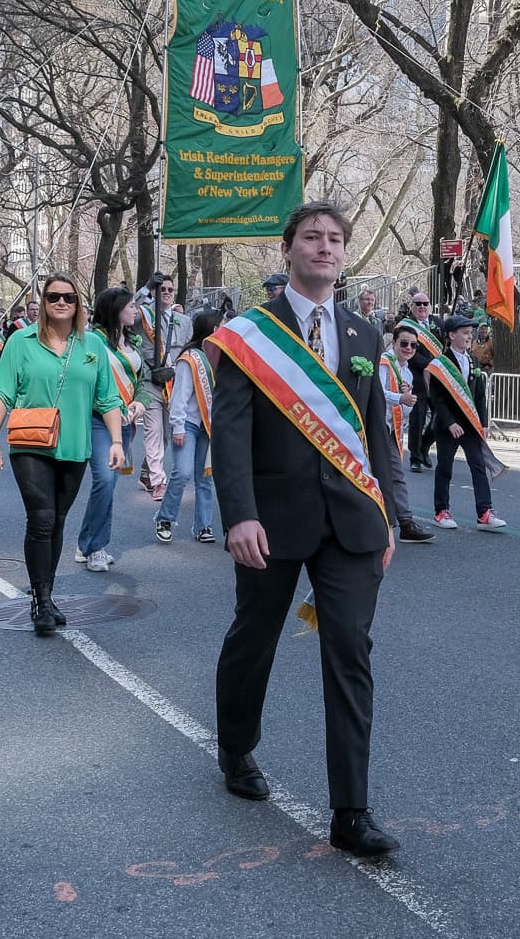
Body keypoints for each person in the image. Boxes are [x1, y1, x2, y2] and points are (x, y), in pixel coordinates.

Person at [208, 201, 403, 857]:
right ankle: (236, 746)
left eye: (335, 239)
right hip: (270, 519)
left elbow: (376, 434)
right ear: (287, 248)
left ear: (345, 254)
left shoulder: (365, 335)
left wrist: (391, 518)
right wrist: (238, 513)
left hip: (351, 521)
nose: (325, 247)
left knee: (349, 650)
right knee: (255, 637)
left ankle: (351, 811)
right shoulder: (249, 334)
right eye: (313, 237)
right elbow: (229, 431)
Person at [0, 274, 125, 637]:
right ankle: (40, 603)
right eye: (53, 297)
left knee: (59, 520)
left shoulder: (92, 345)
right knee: (42, 518)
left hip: (74, 445)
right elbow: (1, 392)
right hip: (30, 444)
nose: (61, 303)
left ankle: (47, 591)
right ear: (43, 303)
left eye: (69, 298)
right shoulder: (21, 342)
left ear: (79, 305)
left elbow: (107, 398)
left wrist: (116, 441)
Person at [75, 286, 144, 572]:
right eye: (130, 305)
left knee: (109, 484)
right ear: (115, 309)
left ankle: (86, 541)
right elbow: (85, 378)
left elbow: (142, 382)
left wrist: (140, 402)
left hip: (126, 423)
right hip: (98, 420)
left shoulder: (133, 342)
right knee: (104, 480)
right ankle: (96, 548)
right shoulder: (93, 341)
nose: (136, 310)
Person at [427, 313, 506, 531]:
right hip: (448, 425)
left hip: (470, 423)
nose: (469, 337)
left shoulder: (471, 359)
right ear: (451, 335)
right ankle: (441, 511)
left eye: (470, 333)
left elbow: (479, 393)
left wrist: (483, 421)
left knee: (478, 466)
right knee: (445, 467)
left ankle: (485, 513)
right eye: (465, 333)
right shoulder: (440, 363)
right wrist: (450, 422)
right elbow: (437, 398)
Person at [156, 309, 224, 545]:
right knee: (182, 472)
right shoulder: (190, 359)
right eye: (221, 326)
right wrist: (177, 427)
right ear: (212, 330)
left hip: (210, 426)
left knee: (205, 478)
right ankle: (165, 518)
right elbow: (180, 396)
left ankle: (203, 526)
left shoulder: (220, 357)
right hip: (189, 423)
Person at [375, 323, 436, 545]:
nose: (409, 348)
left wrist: (406, 400)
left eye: (413, 345)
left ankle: (403, 522)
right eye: (404, 344)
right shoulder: (383, 363)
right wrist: (400, 398)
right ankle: (395, 521)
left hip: (391, 429)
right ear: (394, 343)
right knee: (379, 474)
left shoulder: (407, 372)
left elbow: (406, 410)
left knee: (395, 475)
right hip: (374, 426)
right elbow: (378, 393)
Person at [133, 274, 188, 503]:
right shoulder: (143, 316)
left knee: (165, 434)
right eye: (161, 289)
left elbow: (189, 351)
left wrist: (176, 371)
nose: (165, 292)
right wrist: (145, 288)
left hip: (173, 383)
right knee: (153, 431)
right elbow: (126, 310)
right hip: (149, 383)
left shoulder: (184, 321)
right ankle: (158, 481)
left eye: (169, 289)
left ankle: (147, 474)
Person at [401, 288, 444, 471]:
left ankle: (425, 445)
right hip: (417, 378)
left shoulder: (438, 323)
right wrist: (431, 365)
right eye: (418, 304)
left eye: (425, 304)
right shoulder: (405, 326)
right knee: (417, 419)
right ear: (412, 306)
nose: (422, 307)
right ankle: (415, 458)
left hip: (437, 380)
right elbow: (411, 352)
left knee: (441, 416)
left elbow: (445, 347)